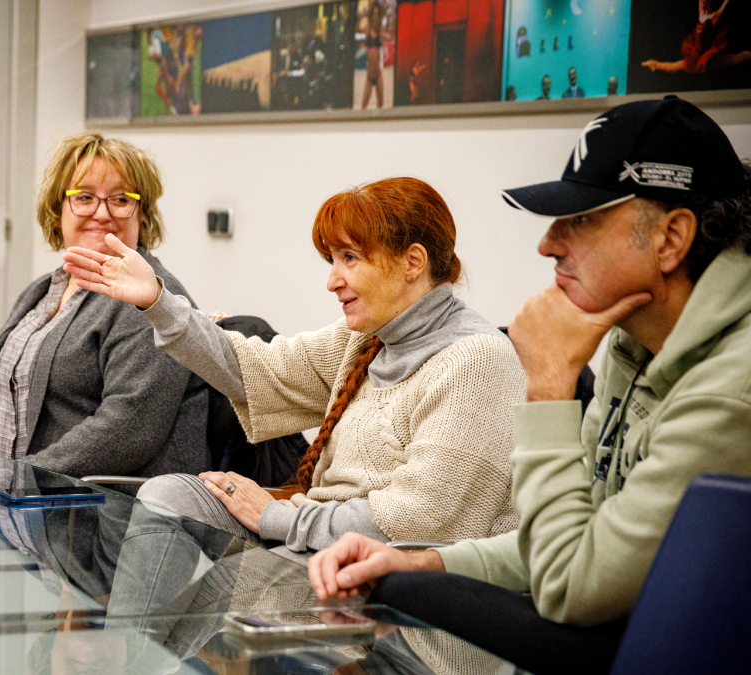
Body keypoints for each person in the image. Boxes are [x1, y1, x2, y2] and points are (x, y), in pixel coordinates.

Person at [309, 97, 751, 628]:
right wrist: (420, 560)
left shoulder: (731, 388)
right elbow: (565, 538)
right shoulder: (631, 343)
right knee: (398, 587)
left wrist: (548, 386)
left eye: (582, 219)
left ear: (671, 239)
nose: (547, 244)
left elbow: (572, 586)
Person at [63, 177, 527, 554]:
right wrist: (158, 301)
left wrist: (274, 515)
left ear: (412, 262)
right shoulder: (364, 339)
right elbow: (252, 369)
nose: (332, 280)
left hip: (384, 581)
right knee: (167, 496)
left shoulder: (476, 362)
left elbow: (414, 523)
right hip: (309, 540)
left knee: (222, 605)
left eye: (349, 258)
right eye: (332, 259)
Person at [0, 132, 208, 512]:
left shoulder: (153, 300)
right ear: (58, 211)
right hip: (14, 506)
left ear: (143, 215)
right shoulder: (43, 290)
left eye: (121, 200)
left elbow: (127, 428)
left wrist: (8, 483)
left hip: (94, 526)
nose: (102, 213)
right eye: (84, 197)